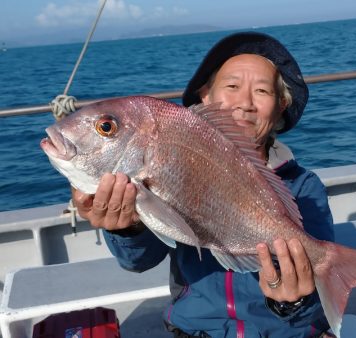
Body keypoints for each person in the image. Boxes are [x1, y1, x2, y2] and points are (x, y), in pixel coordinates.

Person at [72, 32, 335, 338]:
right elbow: (138, 261)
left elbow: (317, 307)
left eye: (262, 91)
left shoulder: (303, 187)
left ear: (281, 107)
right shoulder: (174, 167)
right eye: (232, 86)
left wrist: (293, 303)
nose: (245, 103)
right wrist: (127, 228)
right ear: (205, 97)